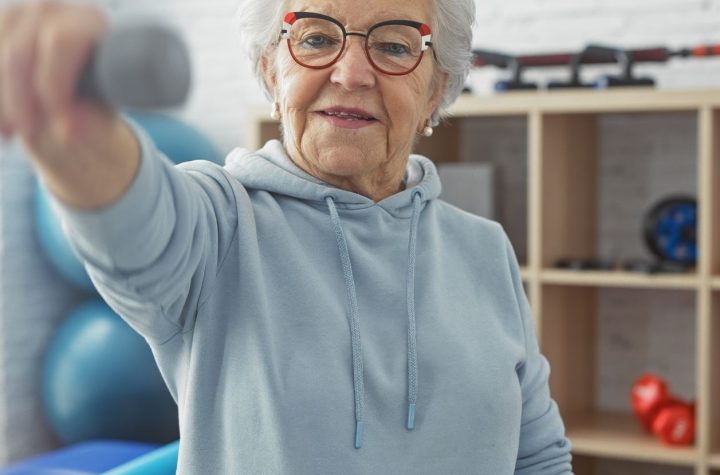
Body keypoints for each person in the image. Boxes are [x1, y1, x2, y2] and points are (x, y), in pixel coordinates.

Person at [0, 0, 573, 473]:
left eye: (395, 46)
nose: (350, 73)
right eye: (318, 39)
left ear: (435, 90)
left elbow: (539, 457)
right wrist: (72, 128)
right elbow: (131, 224)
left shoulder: (486, 250)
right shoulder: (216, 225)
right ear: (273, 72)